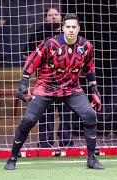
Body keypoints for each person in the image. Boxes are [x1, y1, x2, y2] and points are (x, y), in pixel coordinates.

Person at [4, 13, 104, 170]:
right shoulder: (50, 43)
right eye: (68, 27)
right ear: (63, 28)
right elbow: (31, 61)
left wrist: (94, 90)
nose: (71, 30)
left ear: (79, 28)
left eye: (74, 27)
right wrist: (23, 83)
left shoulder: (86, 46)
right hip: (45, 87)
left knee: (90, 115)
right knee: (28, 120)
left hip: (72, 89)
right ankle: (12, 158)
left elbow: (89, 68)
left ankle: (91, 159)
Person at [22, 5, 74, 148]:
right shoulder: (39, 33)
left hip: (66, 81)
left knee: (67, 114)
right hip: (45, 82)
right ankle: (45, 143)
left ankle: (66, 142)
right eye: (50, 15)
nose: (53, 17)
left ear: (61, 17)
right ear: (45, 18)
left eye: (55, 14)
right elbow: (26, 53)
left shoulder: (68, 33)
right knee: (46, 114)